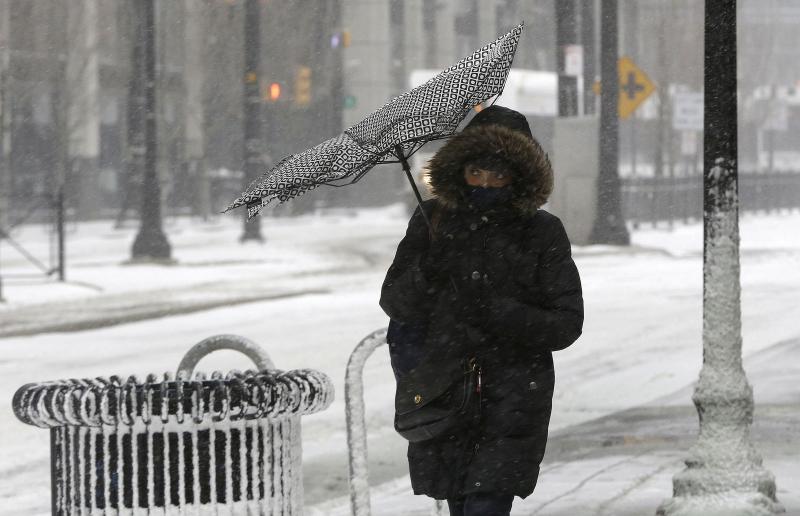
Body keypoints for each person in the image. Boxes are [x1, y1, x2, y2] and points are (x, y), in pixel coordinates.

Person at [379, 105, 584, 516]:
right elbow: (395, 301)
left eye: (498, 174)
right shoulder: (433, 222)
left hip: (512, 398)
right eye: (477, 172)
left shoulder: (542, 232)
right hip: (443, 391)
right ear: (460, 169)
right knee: (460, 503)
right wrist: (428, 272)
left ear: (519, 176)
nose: (486, 183)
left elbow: (566, 323)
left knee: (487, 501)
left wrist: (500, 313)